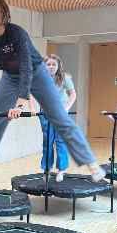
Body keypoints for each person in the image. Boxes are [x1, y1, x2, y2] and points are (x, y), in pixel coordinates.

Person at [0, 0, 105, 182]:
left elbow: (26, 67)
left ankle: (92, 164)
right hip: (10, 77)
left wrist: (20, 103)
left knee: (60, 118)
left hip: (36, 72)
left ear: (2, 13)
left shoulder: (17, 34)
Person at [40, 54, 76, 182]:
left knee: (60, 141)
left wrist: (66, 108)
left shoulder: (65, 78)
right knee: (47, 142)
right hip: (46, 113)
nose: (51, 66)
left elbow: (73, 94)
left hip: (61, 113)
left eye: (54, 64)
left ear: (58, 66)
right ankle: (47, 169)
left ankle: (61, 169)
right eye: (48, 64)